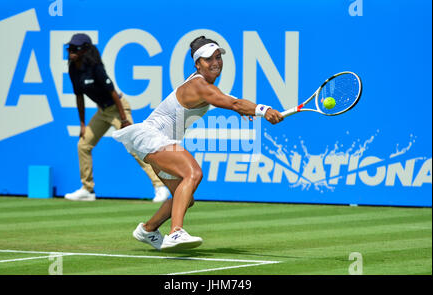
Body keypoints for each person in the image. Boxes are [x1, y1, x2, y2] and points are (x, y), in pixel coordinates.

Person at [113, 36, 284, 251]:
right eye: (207, 59)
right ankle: (175, 233)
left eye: (217, 57)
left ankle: (148, 230)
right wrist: (263, 110)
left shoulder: (204, 85)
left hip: (156, 142)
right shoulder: (198, 85)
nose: (215, 62)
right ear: (197, 64)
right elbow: (233, 102)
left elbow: (232, 101)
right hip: (152, 137)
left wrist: (247, 109)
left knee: (185, 198)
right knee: (193, 173)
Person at [64, 33, 169, 203]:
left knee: (136, 148)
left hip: (118, 108)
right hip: (102, 112)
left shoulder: (95, 67)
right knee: (83, 145)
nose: (71, 51)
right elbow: (79, 97)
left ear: (84, 50)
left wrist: (123, 119)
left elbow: (113, 93)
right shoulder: (73, 69)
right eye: (69, 48)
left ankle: (160, 187)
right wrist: (82, 124)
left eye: (75, 48)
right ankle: (87, 189)